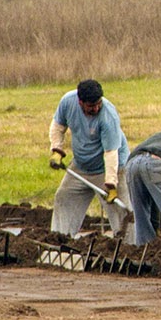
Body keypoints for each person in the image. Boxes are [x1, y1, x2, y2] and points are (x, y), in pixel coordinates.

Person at [49, 79, 127, 234]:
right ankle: (59, 239)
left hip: (109, 167)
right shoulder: (68, 102)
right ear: (80, 102)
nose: (96, 108)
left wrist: (111, 183)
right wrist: (56, 149)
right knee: (64, 197)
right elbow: (57, 126)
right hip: (81, 166)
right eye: (91, 106)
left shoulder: (108, 117)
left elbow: (111, 153)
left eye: (98, 103)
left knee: (120, 210)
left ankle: (130, 249)